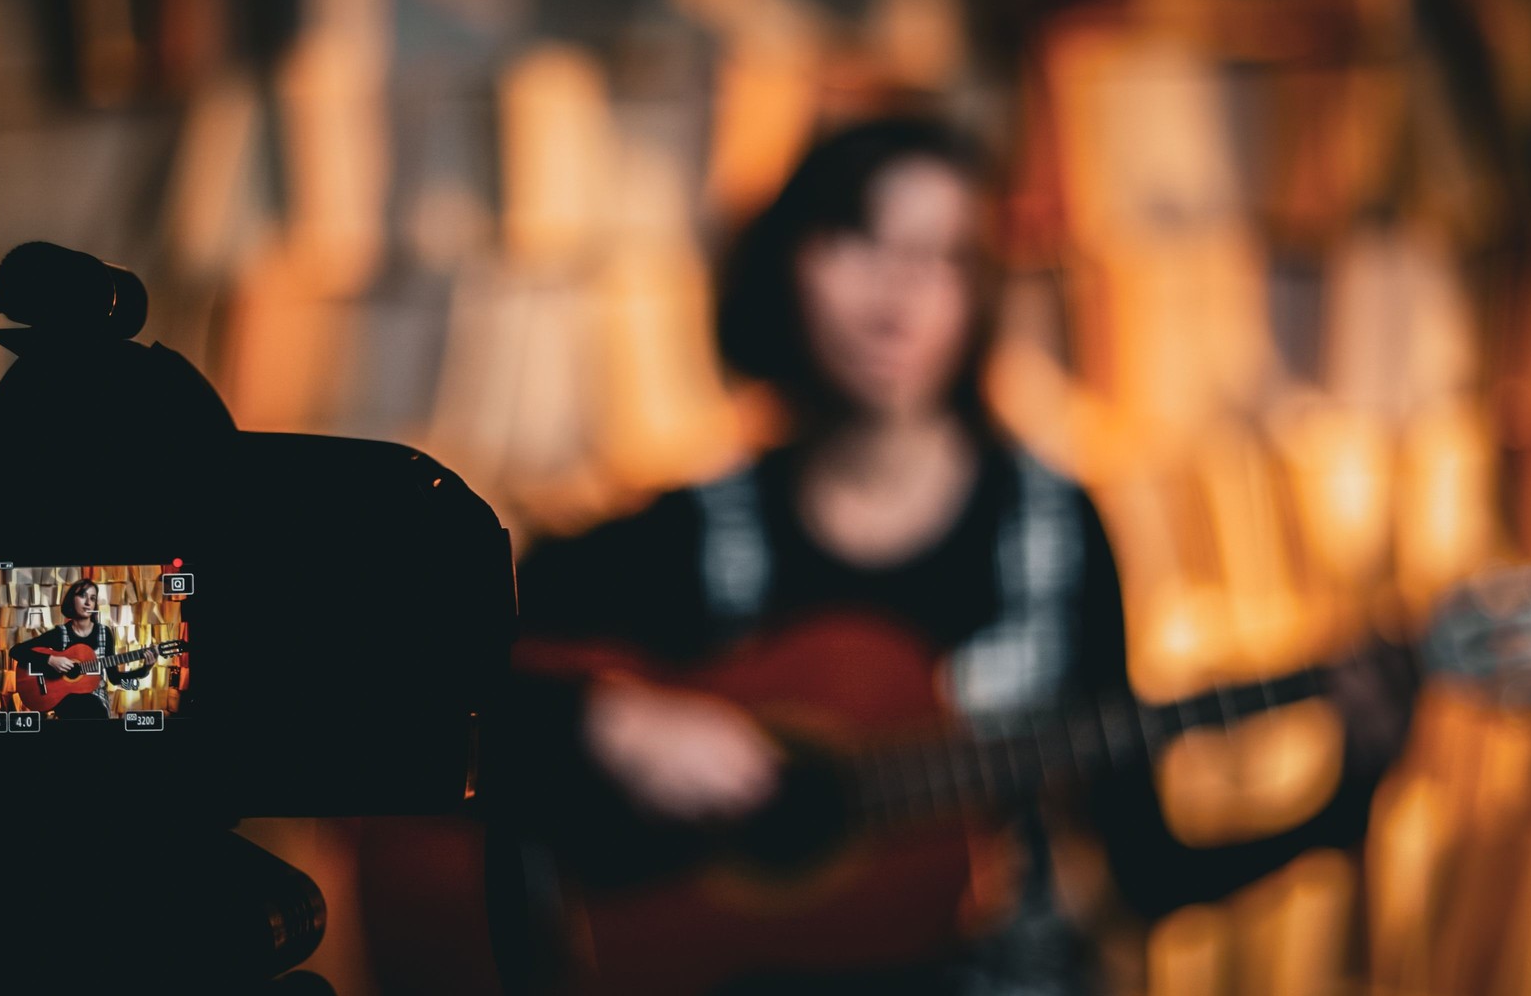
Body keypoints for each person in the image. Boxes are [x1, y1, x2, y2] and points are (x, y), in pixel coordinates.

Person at [501, 117, 1403, 994]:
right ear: (790, 264)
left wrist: (1341, 797)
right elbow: (440, 666)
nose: (898, 296)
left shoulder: (1056, 530)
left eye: (942, 258)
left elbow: (1145, 873)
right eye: (859, 240)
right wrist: (608, 722)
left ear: (978, 293)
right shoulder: (694, 529)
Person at [9, 578, 154, 719]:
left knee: (94, 709)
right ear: (72, 599)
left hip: (95, 696)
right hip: (65, 697)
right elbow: (16, 651)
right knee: (77, 708)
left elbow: (114, 678)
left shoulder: (104, 633)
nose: (87, 602)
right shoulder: (60, 634)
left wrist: (144, 670)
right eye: (82, 596)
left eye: (92, 598)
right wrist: (50, 659)